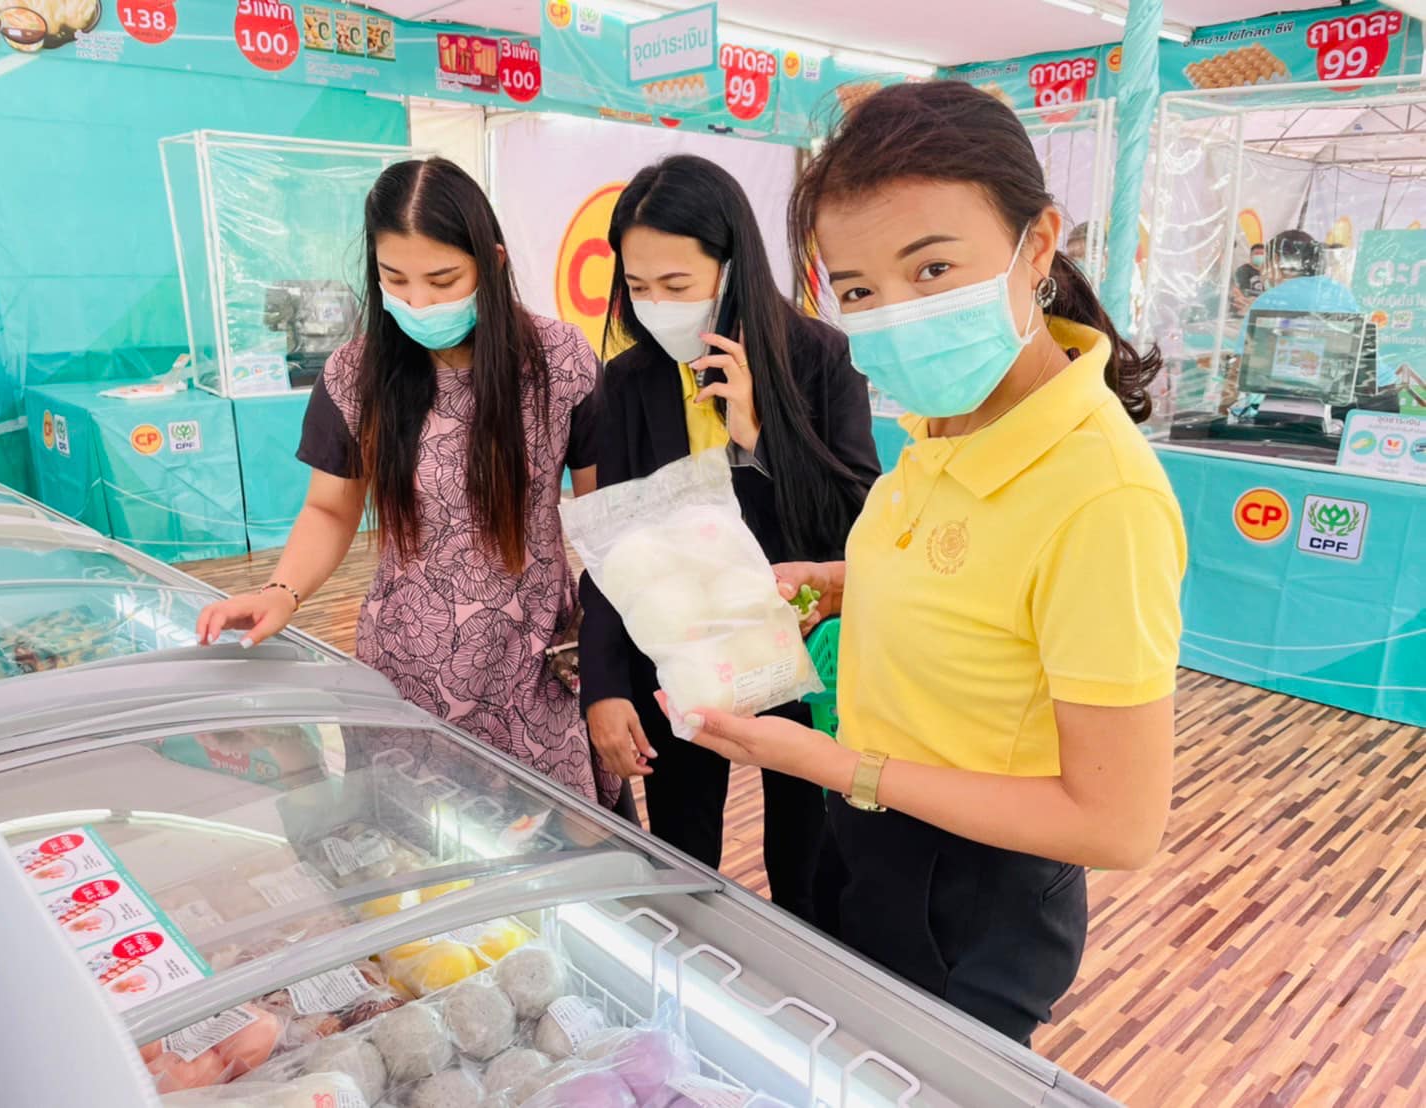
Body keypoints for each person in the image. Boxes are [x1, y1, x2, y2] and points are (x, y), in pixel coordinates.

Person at [670, 82, 1186, 1045]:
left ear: (1038, 245)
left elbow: (1117, 823)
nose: (896, 316)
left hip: (973, 893)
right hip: (870, 832)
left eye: (934, 269)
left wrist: (837, 765)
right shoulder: (946, 419)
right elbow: (987, 591)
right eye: (859, 290)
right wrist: (845, 580)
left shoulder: (1102, 496)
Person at [195, 158, 620, 808]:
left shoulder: (559, 362)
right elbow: (331, 510)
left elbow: (606, 516)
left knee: (551, 835)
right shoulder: (355, 374)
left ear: (493, 262)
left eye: (443, 280)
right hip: (407, 665)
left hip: (533, 664)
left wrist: (616, 663)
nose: (418, 302)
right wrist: (282, 590)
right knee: (416, 835)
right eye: (395, 279)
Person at [579, 154, 881, 919]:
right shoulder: (630, 382)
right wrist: (604, 686)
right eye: (638, 287)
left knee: (807, 868)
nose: (656, 306)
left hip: (800, 653)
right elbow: (615, 546)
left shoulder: (820, 359)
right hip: (680, 657)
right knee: (681, 860)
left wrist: (758, 436)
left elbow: (857, 524)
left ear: (732, 266)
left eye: (677, 285)